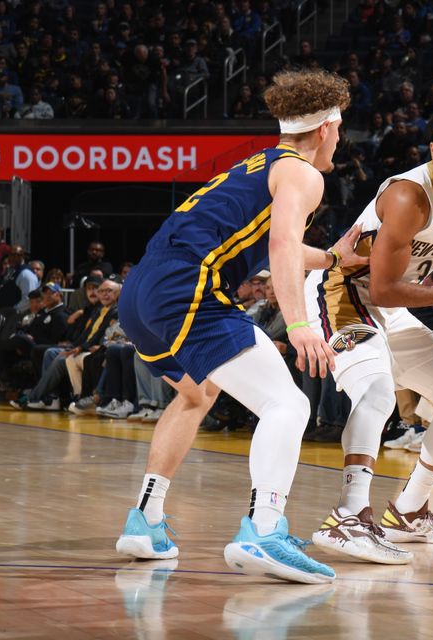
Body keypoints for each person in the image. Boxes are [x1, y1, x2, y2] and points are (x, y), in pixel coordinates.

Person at [114, 69, 367, 585]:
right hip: (188, 289)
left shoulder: (257, 165)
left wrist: (332, 258)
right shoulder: (304, 174)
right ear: (326, 129)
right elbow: (279, 251)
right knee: (289, 403)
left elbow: (287, 244)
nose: (339, 139)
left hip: (141, 293)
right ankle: (264, 529)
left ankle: (147, 519)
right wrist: (299, 323)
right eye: (339, 130)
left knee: (195, 394)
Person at [304, 108, 433, 564]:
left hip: (388, 306)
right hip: (341, 291)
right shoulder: (407, 196)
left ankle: (408, 509)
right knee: (378, 392)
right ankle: (348, 515)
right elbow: (381, 288)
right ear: (432, 151)